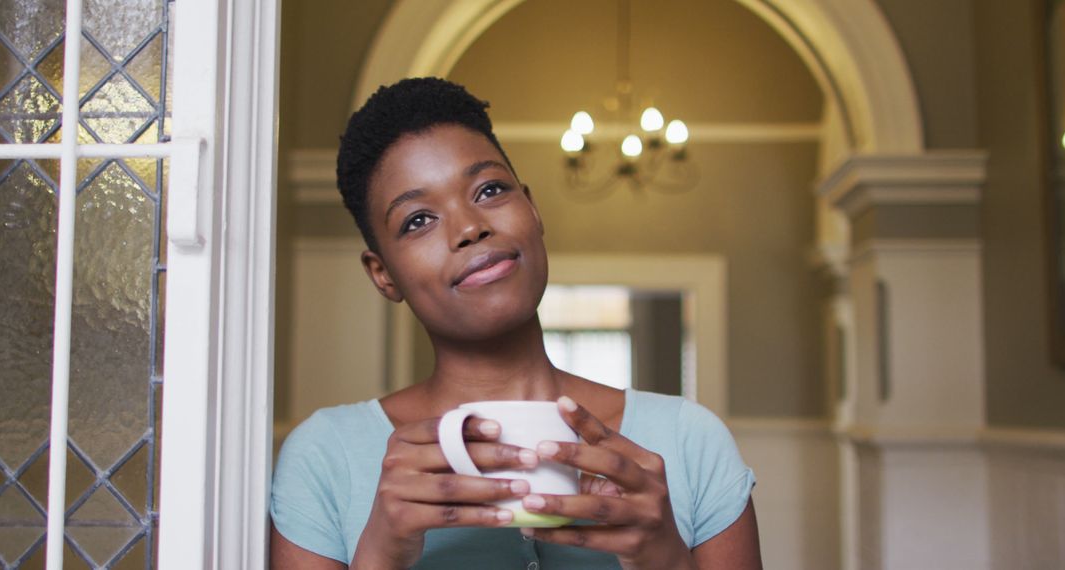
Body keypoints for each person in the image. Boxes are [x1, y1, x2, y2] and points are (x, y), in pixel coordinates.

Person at [270, 77, 761, 569]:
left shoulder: (689, 440)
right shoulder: (324, 457)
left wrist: (667, 560)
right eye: (418, 220)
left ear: (532, 207)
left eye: (489, 189)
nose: (469, 227)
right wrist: (382, 552)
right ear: (383, 274)